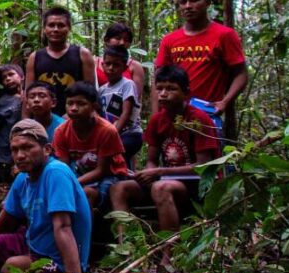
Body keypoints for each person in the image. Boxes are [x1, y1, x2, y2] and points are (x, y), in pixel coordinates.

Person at [0, 119, 91, 273]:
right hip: (31, 241)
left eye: (27, 147)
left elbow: (63, 227)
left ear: (47, 149)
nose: (20, 155)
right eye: (15, 150)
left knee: (10, 267)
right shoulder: (22, 178)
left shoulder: (56, 173)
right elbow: (5, 220)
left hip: (57, 258)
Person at [110, 66, 221, 233]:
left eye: (171, 89)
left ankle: (169, 247)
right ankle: (126, 243)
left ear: (186, 92)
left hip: (196, 186)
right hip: (166, 180)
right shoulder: (157, 120)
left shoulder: (198, 119)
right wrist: (149, 173)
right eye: (159, 88)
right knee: (118, 188)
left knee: (161, 188)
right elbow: (152, 159)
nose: (163, 94)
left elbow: (203, 167)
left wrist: (159, 172)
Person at [153, 0, 248, 134]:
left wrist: (225, 102)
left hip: (207, 113)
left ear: (207, 3)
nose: (188, 6)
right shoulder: (169, 40)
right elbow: (158, 79)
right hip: (174, 113)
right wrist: (157, 117)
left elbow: (241, 74)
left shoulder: (224, 35)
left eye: (194, 0)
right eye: (183, 2)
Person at [53, 82, 129, 209]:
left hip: (111, 174)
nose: (74, 108)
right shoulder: (61, 131)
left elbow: (102, 170)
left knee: (95, 195)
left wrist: (74, 183)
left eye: (81, 104)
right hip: (80, 172)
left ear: (94, 106)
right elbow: (64, 167)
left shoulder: (107, 130)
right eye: (70, 103)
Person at [25, 6, 96, 116]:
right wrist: (25, 120)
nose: (56, 29)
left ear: (69, 28)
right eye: (51, 25)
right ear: (44, 29)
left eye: (61, 25)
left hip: (76, 117)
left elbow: (90, 92)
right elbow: (28, 93)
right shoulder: (35, 57)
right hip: (43, 119)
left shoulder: (83, 54)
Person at [98, 45, 144, 166]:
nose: (111, 68)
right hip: (113, 134)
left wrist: (113, 134)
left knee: (117, 155)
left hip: (130, 133)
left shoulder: (127, 84)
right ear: (102, 65)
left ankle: (127, 176)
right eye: (108, 64)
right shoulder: (102, 90)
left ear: (125, 67)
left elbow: (126, 112)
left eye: (116, 65)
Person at [94, 23, 146, 100]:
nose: (122, 43)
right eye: (117, 38)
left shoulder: (135, 67)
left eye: (126, 40)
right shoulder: (94, 62)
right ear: (107, 40)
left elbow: (135, 98)